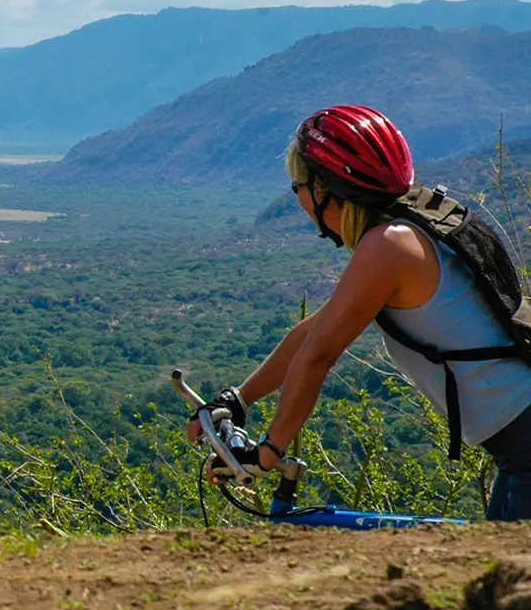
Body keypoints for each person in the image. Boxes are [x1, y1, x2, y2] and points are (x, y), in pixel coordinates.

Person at [194, 105, 531, 520]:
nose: (297, 197)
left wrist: (265, 455)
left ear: (320, 189)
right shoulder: (409, 227)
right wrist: (239, 398)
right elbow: (315, 331)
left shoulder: (388, 246)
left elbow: (318, 355)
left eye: (296, 186)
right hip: (517, 452)